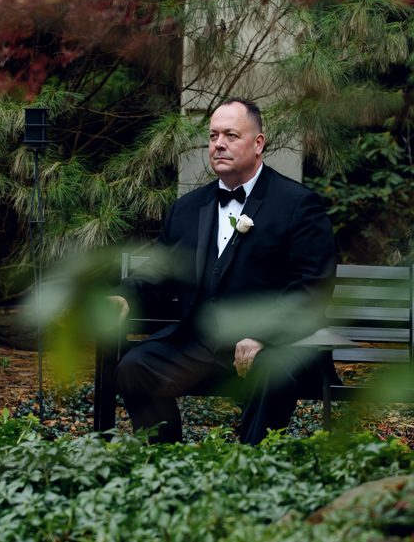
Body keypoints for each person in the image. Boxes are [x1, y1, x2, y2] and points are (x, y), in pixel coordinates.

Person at [110, 98, 335, 444]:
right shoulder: (187, 208)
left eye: (231, 135)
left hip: (276, 347)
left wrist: (263, 334)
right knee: (135, 366)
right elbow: (159, 271)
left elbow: (312, 287)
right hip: (199, 346)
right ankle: (165, 458)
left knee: (270, 370)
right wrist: (125, 297)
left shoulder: (297, 205)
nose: (219, 144)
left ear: (258, 144)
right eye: (213, 136)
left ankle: (250, 465)